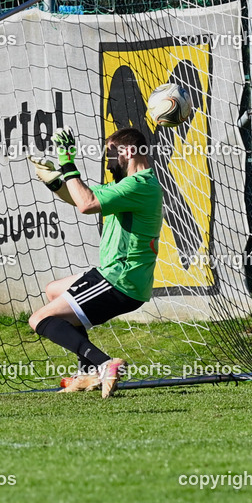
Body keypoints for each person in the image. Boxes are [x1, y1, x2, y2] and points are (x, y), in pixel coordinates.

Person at [28, 127, 163, 398]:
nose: (109, 162)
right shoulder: (127, 186)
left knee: (39, 318)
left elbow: (86, 204)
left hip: (119, 280)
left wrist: (67, 162)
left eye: (111, 154)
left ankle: (103, 364)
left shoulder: (139, 185)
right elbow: (79, 197)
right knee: (54, 289)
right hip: (118, 276)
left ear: (129, 151)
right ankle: (87, 371)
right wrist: (55, 181)